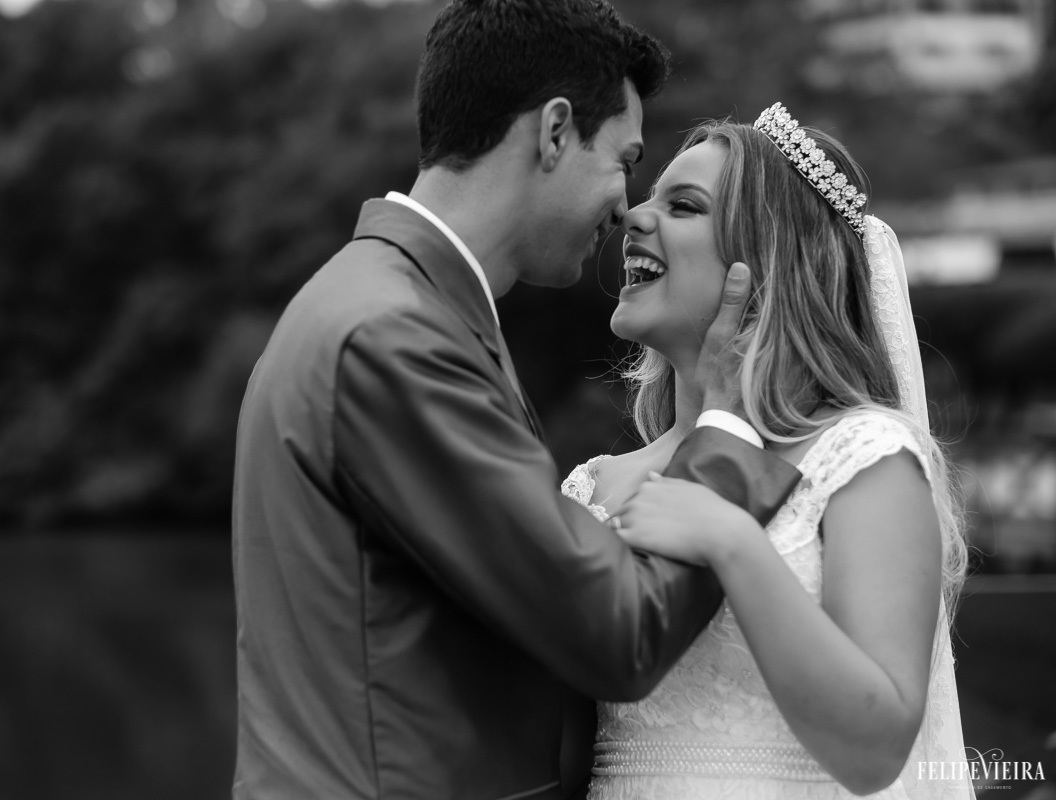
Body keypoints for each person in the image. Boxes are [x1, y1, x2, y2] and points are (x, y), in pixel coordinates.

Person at [230, 2, 802, 798]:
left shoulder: (386, 306)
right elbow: (618, 634)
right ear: (555, 131)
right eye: (624, 160)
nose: (623, 206)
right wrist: (729, 430)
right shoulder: (395, 338)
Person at [563, 102, 972, 799]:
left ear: (768, 260)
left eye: (683, 205)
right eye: (648, 197)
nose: (634, 215)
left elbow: (876, 751)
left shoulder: (861, 458)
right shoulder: (591, 486)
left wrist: (734, 542)